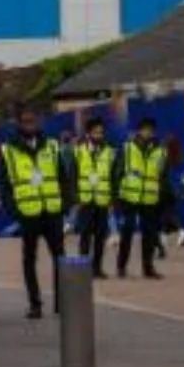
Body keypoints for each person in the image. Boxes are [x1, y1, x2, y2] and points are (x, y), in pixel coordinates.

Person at [0, 111, 65, 319]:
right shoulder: (8, 150)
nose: (30, 124)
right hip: (28, 213)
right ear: (19, 124)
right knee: (29, 259)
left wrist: (64, 205)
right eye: (26, 121)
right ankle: (35, 304)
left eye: (33, 120)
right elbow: (4, 185)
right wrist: (15, 211)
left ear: (39, 122)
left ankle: (62, 303)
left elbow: (63, 176)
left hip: (52, 211)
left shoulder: (52, 146)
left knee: (60, 258)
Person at [115, 117, 166, 280]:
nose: (148, 132)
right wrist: (117, 197)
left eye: (150, 130)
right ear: (138, 131)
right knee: (127, 232)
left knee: (149, 235)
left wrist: (162, 196)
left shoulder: (160, 150)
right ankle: (121, 266)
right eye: (145, 129)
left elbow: (162, 174)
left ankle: (148, 267)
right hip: (130, 197)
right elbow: (118, 172)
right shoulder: (127, 148)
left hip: (150, 198)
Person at [73, 117, 117, 280]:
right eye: (96, 132)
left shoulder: (109, 152)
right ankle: (84, 269)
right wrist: (76, 197)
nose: (99, 135)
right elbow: (73, 175)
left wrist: (112, 198)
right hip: (85, 201)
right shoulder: (78, 151)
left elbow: (113, 176)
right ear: (88, 134)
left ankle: (97, 268)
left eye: (101, 132)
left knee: (100, 236)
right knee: (85, 236)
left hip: (102, 200)